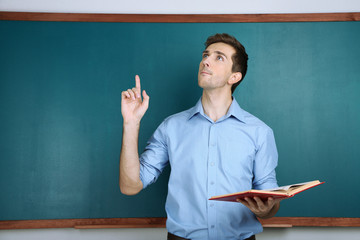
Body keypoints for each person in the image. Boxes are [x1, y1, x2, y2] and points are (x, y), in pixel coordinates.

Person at [119, 33, 281, 240]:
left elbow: (271, 202)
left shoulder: (259, 132)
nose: (206, 60)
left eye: (218, 57)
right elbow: (130, 186)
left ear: (234, 77)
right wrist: (131, 123)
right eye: (206, 55)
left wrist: (264, 210)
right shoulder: (171, 127)